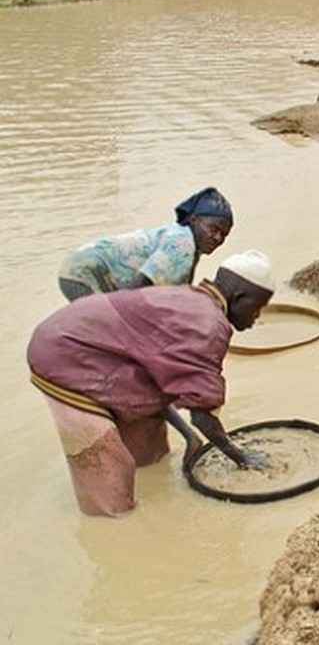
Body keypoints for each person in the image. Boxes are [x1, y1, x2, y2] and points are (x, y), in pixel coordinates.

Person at [28, 250, 277, 516]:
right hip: (64, 357)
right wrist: (240, 457)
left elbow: (155, 382)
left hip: (93, 352)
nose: (256, 318)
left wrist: (190, 437)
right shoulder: (209, 326)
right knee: (110, 480)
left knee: (150, 451)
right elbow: (202, 414)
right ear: (239, 298)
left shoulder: (188, 299)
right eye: (257, 308)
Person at [58, 186, 234, 302]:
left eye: (224, 235)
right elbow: (139, 288)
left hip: (78, 267)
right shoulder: (181, 245)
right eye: (213, 229)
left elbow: (179, 293)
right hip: (82, 274)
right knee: (110, 328)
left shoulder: (184, 241)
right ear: (194, 220)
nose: (218, 238)